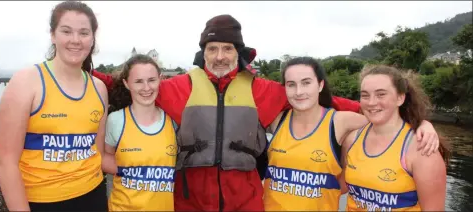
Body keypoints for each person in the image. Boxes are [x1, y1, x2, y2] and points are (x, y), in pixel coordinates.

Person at [92, 14, 362, 211]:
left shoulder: (262, 90)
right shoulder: (177, 87)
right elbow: (129, 83)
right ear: (203, 53)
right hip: (190, 202)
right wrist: (83, 75)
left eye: (227, 48)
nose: (220, 56)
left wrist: (375, 110)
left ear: (238, 52)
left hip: (245, 202)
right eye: (212, 49)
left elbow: (314, 97)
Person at [262, 57, 439, 211]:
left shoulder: (341, 122)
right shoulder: (275, 121)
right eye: (291, 85)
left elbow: (385, 120)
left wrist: (422, 124)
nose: (299, 91)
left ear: (320, 84)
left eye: (306, 82)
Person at [0, 1, 108, 211]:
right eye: (66, 31)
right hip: (42, 200)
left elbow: (96, 150)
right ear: (53, 35)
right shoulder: (26, 82)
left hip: (94, 194)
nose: (75, 40)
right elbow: (5, 162)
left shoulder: (99, 88)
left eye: (84, 33)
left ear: (93, 38)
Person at [342, 65, 449, 211]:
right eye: (365, 95)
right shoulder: (352, 140)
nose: (371, 102)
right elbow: (338, 186)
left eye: (381, 94)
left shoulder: (421, 149)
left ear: (400, 98)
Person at [102, 54, 178, 211]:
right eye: (138, 81)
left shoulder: (173, 121)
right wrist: (135, 171)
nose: (146, 88)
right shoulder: (116, 121)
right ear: (126, 83)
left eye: (151, 80)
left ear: (160, 79)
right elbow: (103, 158)